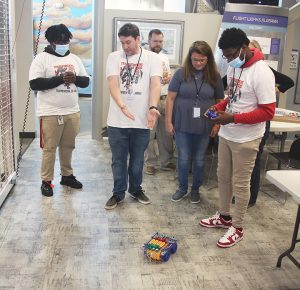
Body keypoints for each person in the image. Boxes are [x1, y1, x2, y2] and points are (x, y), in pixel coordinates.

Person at [200, 28, 276, 248]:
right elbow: (231, 97)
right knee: (222, 177)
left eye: (232, 55)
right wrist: (218, 107)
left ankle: (238, 227)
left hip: (247, 138)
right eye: (225, 56)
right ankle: (224, 216)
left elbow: (267, 112)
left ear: (244, 48)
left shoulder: (262, 72)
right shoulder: (235, 68)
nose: (229, 59)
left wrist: (232, 117)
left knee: (241, 185)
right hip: (227, 134)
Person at [223, 39, 295, 207]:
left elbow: (288, 82)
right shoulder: (237, 68)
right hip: (239, 125)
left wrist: (275, 90)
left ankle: (251, 197)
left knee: (253, 162)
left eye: (252, 50)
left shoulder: (262, 70)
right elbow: (223, 83)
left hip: (256, 123)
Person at [104, 23, 161, 210]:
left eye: (128, 42)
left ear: (138, 39)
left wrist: (153, 106)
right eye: (122, 43)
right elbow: (112, 83)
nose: (125, 47)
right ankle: (118, 193)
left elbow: (155, 84)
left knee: (137, 160)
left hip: (142, 120)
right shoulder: (114, 57)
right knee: (118, 160)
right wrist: (122, 106)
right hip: (117, 121)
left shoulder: (152, 58)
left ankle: (135, 189)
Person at [29, 24, 89, 197]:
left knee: (68, 146)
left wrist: (75, 78)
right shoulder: (42, 59)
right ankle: (46, 181)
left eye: (65, 40)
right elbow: (35, 84)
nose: (63, 43)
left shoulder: (75, 59)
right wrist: (59, 79)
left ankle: (67, 176)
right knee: (50, 148)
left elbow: (85, 81)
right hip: (50, 112)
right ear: (51, 41)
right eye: (59, 40)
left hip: (72, 111)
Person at [165, 41, 224, 204]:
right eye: (195, 59)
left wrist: (217, 123)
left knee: (199, 159)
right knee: (183, 158)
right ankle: (182, 188)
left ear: (208, 59)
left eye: (202, 60)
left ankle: (195, 189)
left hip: (205, 125)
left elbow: (220, 101)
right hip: (182, 124)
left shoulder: (215, 76)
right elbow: (170, 98)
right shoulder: (181, 73)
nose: (198, 63)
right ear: (190, 58)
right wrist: (168, 121)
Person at [144, 29, 175, 175]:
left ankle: (165, 162)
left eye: (160, 41)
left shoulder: (164, 58)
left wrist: (170, 78)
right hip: (149, 100)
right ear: (149, 41)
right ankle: (149, 162)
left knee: (166, 134)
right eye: (155, 41)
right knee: (149, 134)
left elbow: (166, 77)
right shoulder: (143, 57)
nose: (158, 44)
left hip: (164, 99)